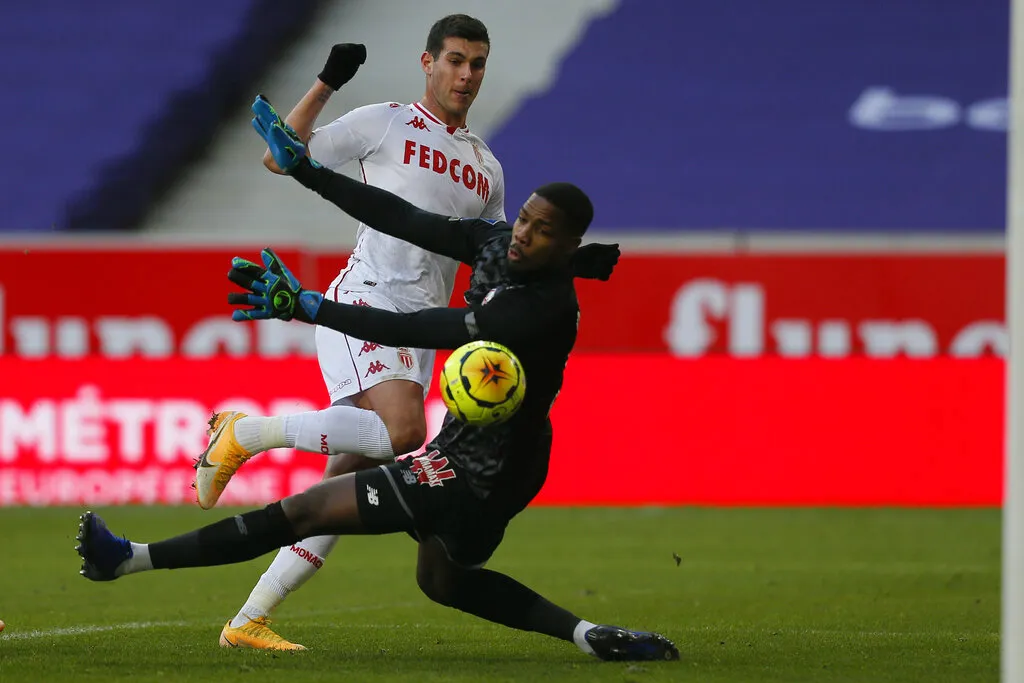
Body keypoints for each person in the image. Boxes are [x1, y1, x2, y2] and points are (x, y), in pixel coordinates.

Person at [75, 99, 677, 664]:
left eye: (543, 231)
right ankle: (589, 636)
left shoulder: (537, 311)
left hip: (490, 470)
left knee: (306, 511)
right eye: (524, 218)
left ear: (566, 244)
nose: (522, 233)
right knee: (443, 580)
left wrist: (312, 307)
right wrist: (307, 171)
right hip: (464, 447)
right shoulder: (497, 245)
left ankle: (128, 560)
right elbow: (400, 216)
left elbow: (412, 324)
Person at [214, 14, 614, 650]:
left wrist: (568, 266)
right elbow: (279, 156)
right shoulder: (386, 120)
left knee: (351, 473)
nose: (466, 75)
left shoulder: (488, 167)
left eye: (477, 64)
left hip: (420, 327)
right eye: (454, 61)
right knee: (403, 433)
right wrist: (324, 83)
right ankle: (247, 431)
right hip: (368, 296)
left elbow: (500, 255)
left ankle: (249, 619)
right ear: (428, 63)